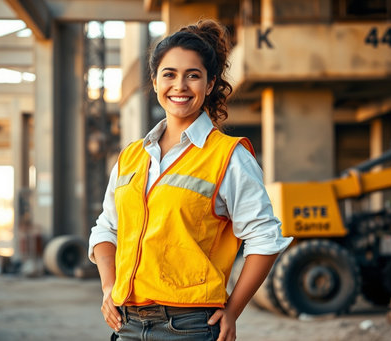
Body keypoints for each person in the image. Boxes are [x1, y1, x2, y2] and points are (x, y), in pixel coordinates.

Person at [89, 19, 293, 341]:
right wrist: (108, 286)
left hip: (189, 328)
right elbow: (107, 228)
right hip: (126, 325)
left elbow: (265, 237)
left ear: (209, 84)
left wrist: (233, 309)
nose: (180, 86)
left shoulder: (229, 156)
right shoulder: (131, 156)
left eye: (193, 76)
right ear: (155, 82)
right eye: (169, 74)